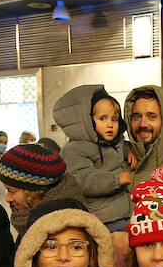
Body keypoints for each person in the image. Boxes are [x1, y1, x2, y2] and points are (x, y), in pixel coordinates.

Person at [55, 85, 132, 239]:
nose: (110, 124)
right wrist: (115, 180)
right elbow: (82, 180)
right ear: (87, 121)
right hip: (103, 219)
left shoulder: (113, 144)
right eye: (102, 119)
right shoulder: (74, 149)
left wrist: (131, 150)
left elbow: (117, 150)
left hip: (124, 215)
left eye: (114, 119)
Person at [0, 142, 84, 234]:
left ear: (35, 192)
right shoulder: (32, 220)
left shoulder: (63, 233)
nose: (7, 199)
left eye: (12, 191)